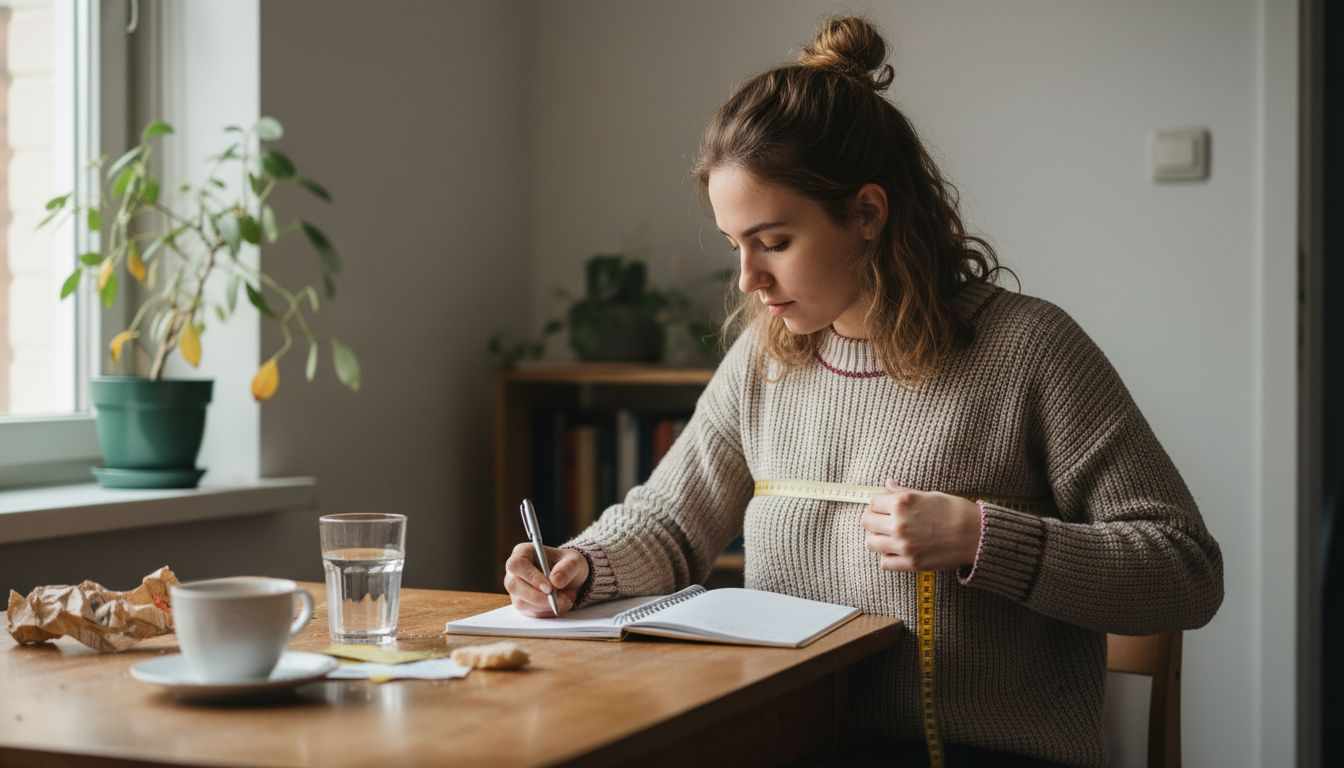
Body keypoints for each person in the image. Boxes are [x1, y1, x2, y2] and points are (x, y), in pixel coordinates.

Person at [503, 15, 1223, 768]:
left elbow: (1186, 571)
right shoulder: (766, 359)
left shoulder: (1029, 350)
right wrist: (583, 564)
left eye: (774, 242)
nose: (748, 279)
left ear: (867, 214)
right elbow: (671, 523)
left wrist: (985, 540)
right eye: (734, 245)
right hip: (796, 741)